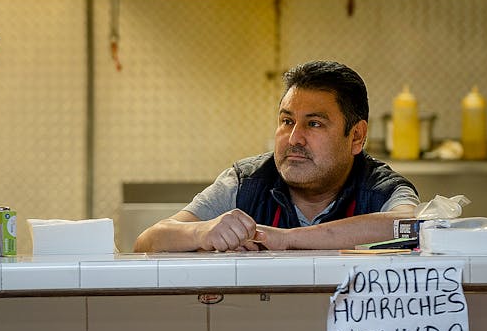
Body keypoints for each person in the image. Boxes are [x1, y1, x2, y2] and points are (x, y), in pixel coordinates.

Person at [133, 60, 420, 253]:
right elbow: (148, 241)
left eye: (314, 124)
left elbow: (409, 226)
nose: (294, 138)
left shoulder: (381, 188)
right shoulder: (247, 182)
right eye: (286, 121)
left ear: (356, 136)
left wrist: (283, 239)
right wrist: (202, 232)